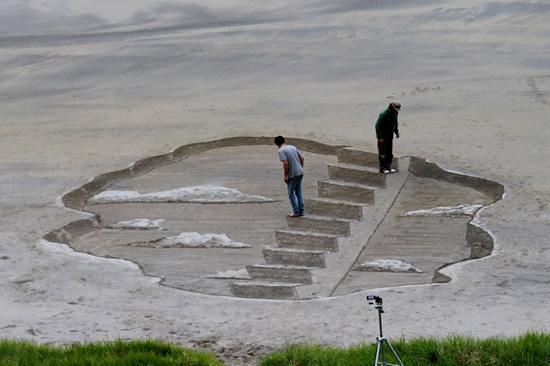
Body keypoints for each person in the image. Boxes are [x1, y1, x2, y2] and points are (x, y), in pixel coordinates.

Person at [274, 135, 305, 217]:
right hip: (300, 172)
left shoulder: (281, 151)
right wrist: (300, 167)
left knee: (291, 193)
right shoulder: (292, 147)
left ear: (277, 144)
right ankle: (301, 211)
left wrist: (286, 175)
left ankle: (295, 211)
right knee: (298, 191)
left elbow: (286, 163)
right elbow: (301, 158)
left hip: (293, 174)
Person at [375, 100, 401, 173]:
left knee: (389, 153)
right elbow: (377, 126)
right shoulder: (384, 114)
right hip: (383, 137)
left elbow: (395, 123)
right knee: (383, 153)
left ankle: (388, 166)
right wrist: (379, 137)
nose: (396, 111)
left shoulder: (395, 113)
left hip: (390, 136)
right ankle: (382, 168)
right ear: (391, 107)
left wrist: (396, 132)